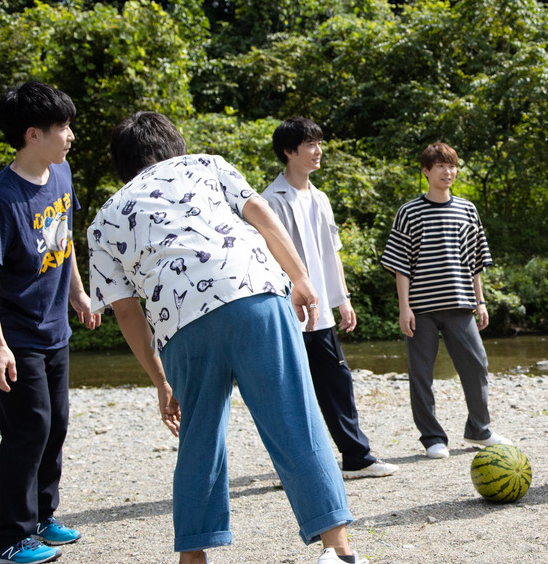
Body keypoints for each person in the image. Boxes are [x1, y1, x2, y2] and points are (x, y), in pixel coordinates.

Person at [86, 111, 362, 564]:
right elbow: (263, 217)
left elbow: (126, 310)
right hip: (252, 293)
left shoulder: (104, 220)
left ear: (123, 164)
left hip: (181, 324)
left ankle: (193, 557)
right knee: (295, 418)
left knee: (199, 438)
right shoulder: (206, 164)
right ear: (174, 144)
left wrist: (160, 380)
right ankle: (338, 550)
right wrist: (301, 276)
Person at [0, 81, 100, 564]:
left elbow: (64, 239)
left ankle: (42, 518)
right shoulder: (1, 199)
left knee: (56, 425)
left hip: (56, 330)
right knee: (28, 429)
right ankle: (5, 539)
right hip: (18, 336)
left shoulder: (61, 171)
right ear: (33, 135)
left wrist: (79, 294)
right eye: (63, 128)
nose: (71, 136)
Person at [262, 117, 397, 479]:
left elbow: (332, 252)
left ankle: (356, 458)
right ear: (289, 152)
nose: (319, 151)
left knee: (337, 382)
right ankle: (297, 466)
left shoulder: (319, 197)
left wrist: (344, 299)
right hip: (287, 312)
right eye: (310, 145)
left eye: (319, 144)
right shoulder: (268, 201)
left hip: (319, 311)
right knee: (289, 390)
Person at [380, 142, 511, 459]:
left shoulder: (467, 209)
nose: (448, 171)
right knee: (421, 374)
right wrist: (404, 308)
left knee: (476, 365)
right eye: (440, 166)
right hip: (421, 309)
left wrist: (480, 301)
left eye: (451, 166)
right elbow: (400, 264)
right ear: (426, 171)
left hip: (461, 302)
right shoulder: (409, 212)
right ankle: (432, 438)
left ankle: (479, 429)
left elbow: (475, 261)